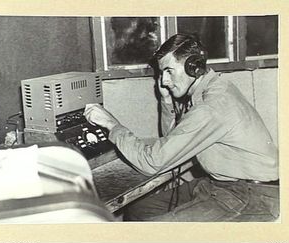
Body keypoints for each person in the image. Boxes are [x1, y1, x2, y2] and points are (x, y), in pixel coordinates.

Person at [84, 33, 279, 222]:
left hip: (253, 195)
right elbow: (174, 142)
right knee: (139, 210)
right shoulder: (212, 88)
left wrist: (111, 124)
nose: (163, 81)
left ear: (193, 67)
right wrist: (167, 101)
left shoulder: (211, 106)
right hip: (221, 184)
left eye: (169, 71)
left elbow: (152, 162)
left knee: (152, 233)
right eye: (161, 74)